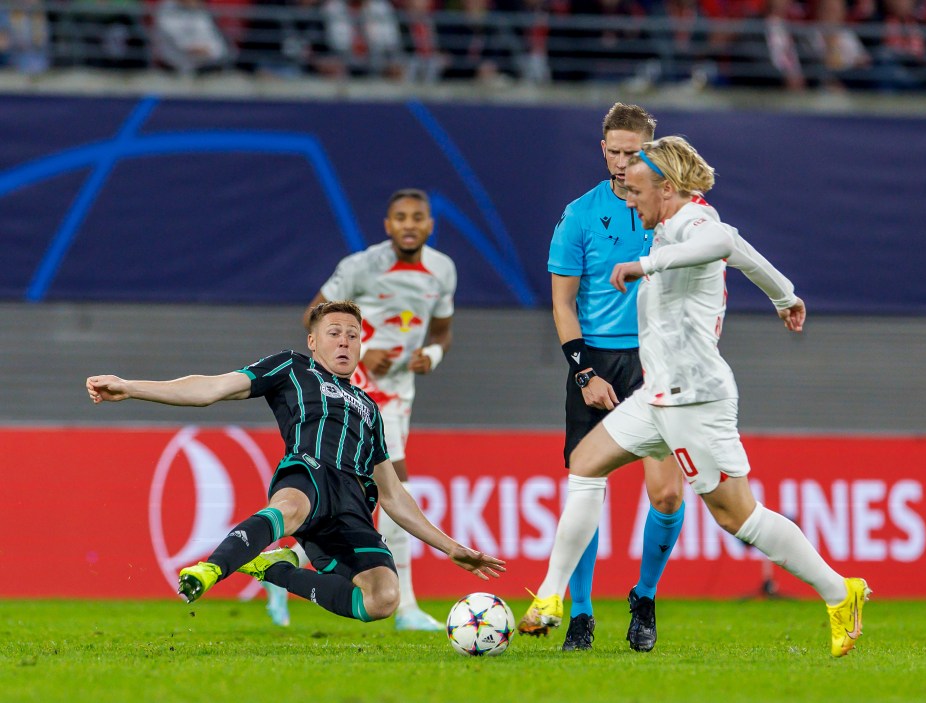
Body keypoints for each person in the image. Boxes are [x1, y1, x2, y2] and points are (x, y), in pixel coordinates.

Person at [520, 136, 869, 658]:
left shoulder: (693, 224)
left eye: (636, 191)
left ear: (667, 187)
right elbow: (743, 249)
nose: (629, 200)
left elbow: (721, 243)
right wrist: (785, 294)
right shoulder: (666, 223)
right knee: (584, 464)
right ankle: (550, 596)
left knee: (738, 518)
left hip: (694, 401)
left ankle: (840, 592)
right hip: (656, 395)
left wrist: (645, 267)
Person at [85, 300, 504, 623]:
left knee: (382, 600)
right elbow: (211, 388)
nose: (344, 341)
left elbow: (393, 495)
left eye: (353, 335)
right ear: (313, 341)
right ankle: (211, 568)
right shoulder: (291, 366)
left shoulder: (369, 408)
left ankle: (271, 569)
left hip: (353, 506)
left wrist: (452, 547)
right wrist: (131, 387)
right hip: (309, 471)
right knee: (290, 507)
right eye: (334, 332)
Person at [522, 103, 685, 653]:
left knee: (665, 495)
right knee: (587, 487)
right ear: (602, 150)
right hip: (597, 364)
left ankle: (644, 596)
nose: (620, 163)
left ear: (651, 150)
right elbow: (562, 306)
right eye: (612, 151)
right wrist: (584, 372)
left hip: (658, 362)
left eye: (631, 153)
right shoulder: (579, 216)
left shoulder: (673, 210)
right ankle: (582, 615)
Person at [299, 188, 457, 631]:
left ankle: (280, 569)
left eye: (418, 217)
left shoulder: (443, 270)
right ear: (387, 226)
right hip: (359, 385)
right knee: (395, 485)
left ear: (429, 224)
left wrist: (433, 354)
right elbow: (313, 315)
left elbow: (442, 332)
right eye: (400, 217)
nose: (409, 224)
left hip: (400, 390)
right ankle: (404, 606)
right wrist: (358, 351)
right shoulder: (361, 266)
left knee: (353, 491)